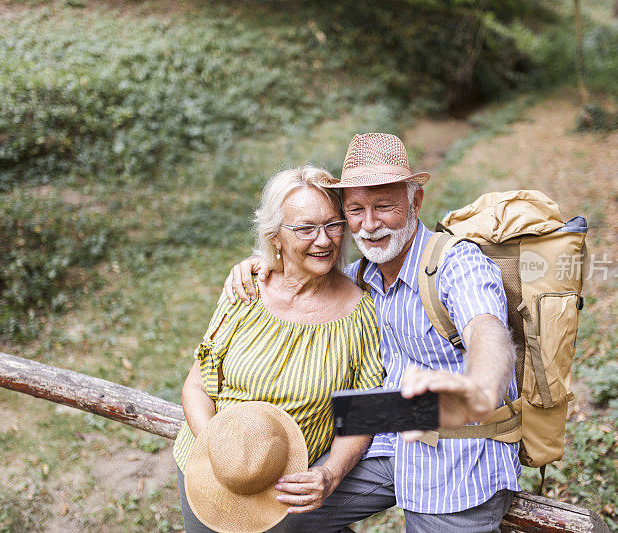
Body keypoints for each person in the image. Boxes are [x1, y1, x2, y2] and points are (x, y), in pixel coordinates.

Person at [225, 133, 520, 532]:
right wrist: (257, 264)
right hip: (385, 435)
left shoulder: (456, 263)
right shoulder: (359, 278)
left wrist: (480, 387)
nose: (369, 225)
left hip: (459, 453)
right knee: (283, 517)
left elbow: (487, 330)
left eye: (384, 206)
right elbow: (297, 267)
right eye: (356, 210)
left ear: (415, 202)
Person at [173, 166, 385, 532]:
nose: (323, 241)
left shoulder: (362, 313)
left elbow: (361, 414)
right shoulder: (246, 291)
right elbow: (197, 385)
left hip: (288, 494)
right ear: (275, 237)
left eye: (333, 225)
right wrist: (218, 452)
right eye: (305, 229)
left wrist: (331, 474)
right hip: (209, 469)